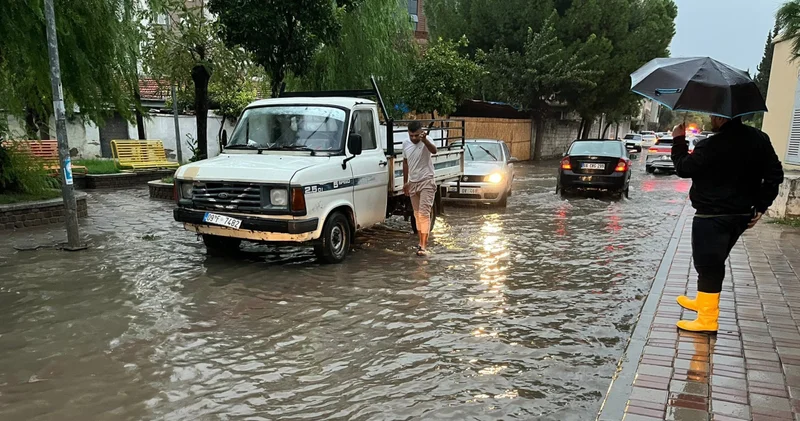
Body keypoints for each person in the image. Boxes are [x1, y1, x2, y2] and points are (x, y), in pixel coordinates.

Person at [671, 116, 784, 333]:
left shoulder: (711, 145)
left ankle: (707, 319)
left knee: (708, 265)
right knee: (714, 261)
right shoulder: (760, 139)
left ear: (722, 117)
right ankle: (705, 300)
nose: (712, 119)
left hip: (712, 216)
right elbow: (774, 176)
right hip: (741, 215)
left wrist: (679, 140)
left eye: (714, 115)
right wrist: (761, 207)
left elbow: (684, 168)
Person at [403, 121, 438, 256]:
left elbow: (434, 151)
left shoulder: (427, 140)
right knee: (417, 214)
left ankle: (423, 246)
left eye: (416, 135)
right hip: (413, 182)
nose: (414, 138)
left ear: (421, 132)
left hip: (427, 181)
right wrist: (405, 182)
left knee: (424, 213)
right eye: (411, 135)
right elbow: (405, 162)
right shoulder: (405, 143)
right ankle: (420, 242)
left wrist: (424, 140)